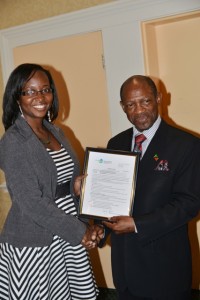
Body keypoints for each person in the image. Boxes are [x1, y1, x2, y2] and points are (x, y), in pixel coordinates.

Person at [0, 63, 104, 299]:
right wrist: (80, 232)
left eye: (45, 89)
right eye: (29, 91)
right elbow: (30, 201)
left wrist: (74, 186)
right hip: (35, 239)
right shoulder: (13, 142)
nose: (40, 97)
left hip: (65, 232)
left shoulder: (56, 132)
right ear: (17, 97)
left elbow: (58, 182)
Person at [100, 75, 200, 300]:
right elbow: (110, 198)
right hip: (124, 267)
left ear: (159, 98)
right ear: (122, 106)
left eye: (145, 101)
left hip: (164, 270)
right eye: (130, 105)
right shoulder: (115, 144)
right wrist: (100, 227)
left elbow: (188, 204)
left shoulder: (187, 145)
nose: (139, 110)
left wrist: (137, 224)